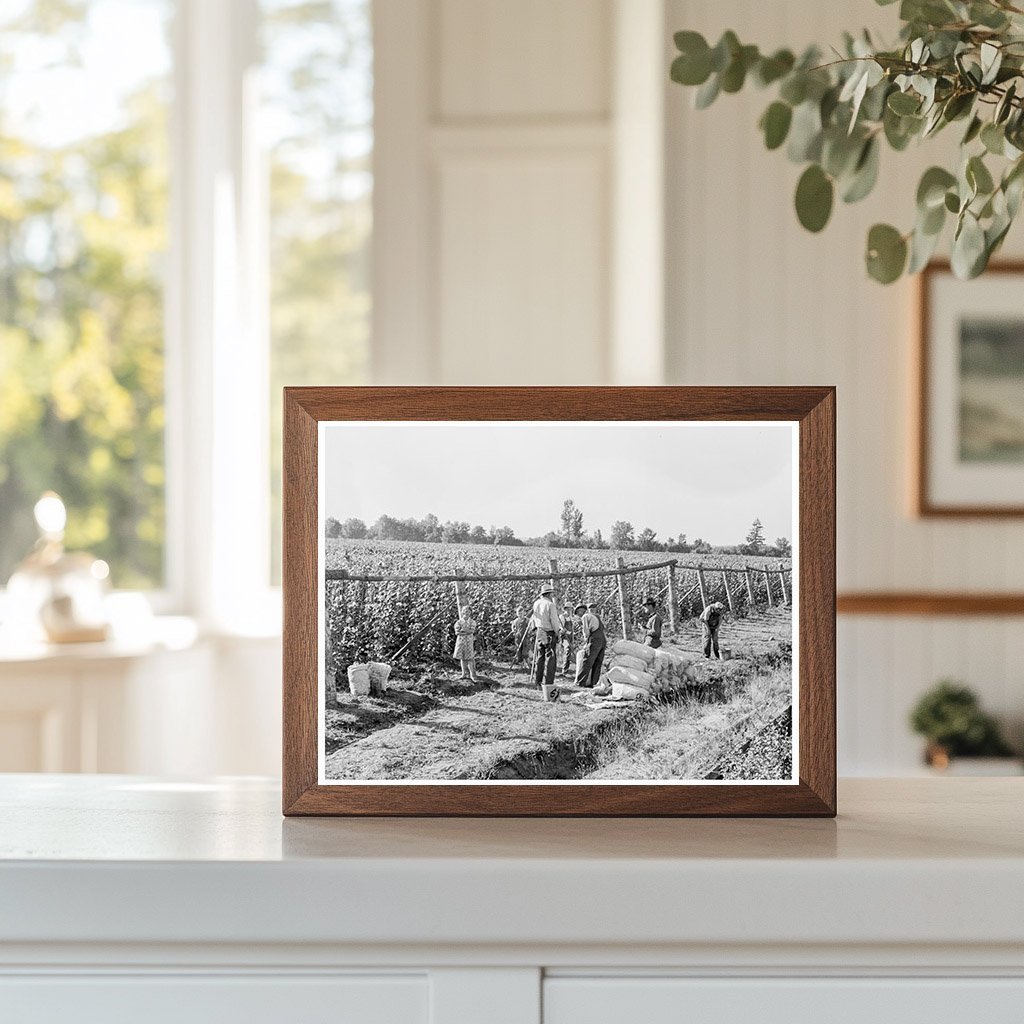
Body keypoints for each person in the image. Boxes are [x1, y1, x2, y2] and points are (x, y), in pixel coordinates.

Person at [531, 583, 563, 701]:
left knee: (540, 657)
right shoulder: (550, 605)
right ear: (549, 594)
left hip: (539, 631)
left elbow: (534, 618)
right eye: (551, 594)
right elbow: (554, 621)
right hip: (549, 631)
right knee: (551, 658)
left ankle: (538, 681)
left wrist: (536, 629)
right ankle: (548, 683)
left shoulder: (536, 603)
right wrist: (557, 632)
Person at [574, 601, 606, 689]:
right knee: (597, 662)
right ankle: (593, 682)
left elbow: (586, 632)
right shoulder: (597, 617)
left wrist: (586, 643)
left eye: (579, 612)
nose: (579, 614)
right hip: (603, 640)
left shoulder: (585, 616)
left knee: (587, 660)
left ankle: (580, 682)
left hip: (594, 639)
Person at [452, 604, 479, 681]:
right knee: (462, 658)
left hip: (469, 642)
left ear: (470, 613)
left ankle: (473, 675)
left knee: (470, 658)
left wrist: (463, 631)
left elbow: (471, 631)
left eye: (468, 611)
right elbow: (457, 632)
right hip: (461, 642)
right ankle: (464, 674)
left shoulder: (472, 622)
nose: (466, 613)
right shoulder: (458, 622)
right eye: (465, 611)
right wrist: (465, 631)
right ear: (462, 612)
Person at [560, 602, 577, 676]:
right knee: (567, 651)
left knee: (570, 651)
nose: (569, 610)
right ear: (565, 609)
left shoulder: (570, 617)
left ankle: (567, 669)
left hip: (570, 637)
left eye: (570, 609)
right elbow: (560, 626)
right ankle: (564, 670)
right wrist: (566, 631)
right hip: (564, 637)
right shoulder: (562, 616)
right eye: (568, 608)